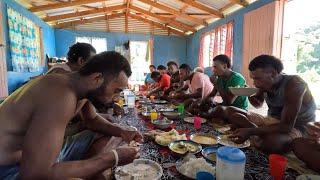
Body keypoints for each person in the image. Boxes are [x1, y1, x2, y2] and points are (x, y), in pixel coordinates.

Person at [0, 51, 142, 179]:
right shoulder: (60, 95)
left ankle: (87, 172)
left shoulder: (79, 87)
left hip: (39, 157)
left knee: (105, 133)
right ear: (97, 78)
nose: (117, 98)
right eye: (116, 90)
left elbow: (92, 120)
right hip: (11, 169)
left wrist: (122, 131)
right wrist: (112, 158)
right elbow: (36, 174)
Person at [228, 55, 317, 154]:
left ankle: (256, 134)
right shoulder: (264, 84)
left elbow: (286, 126)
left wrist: (250, 131)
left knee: (272, 143)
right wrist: (249, 94)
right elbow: (258, 105)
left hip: (297, 126)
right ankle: (258, 134)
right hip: (271, 121)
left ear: (273, 74)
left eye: (258, 79)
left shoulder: (295, 84)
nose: (255, 83)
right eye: (253, 79)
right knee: (233, 113)